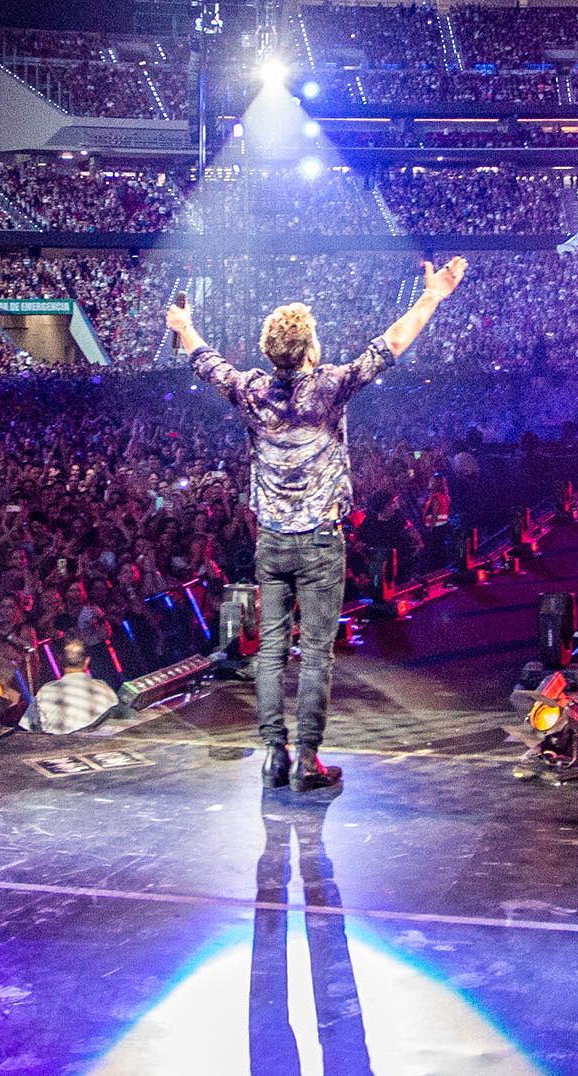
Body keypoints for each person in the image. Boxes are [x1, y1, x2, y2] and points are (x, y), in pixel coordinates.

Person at [170, 256, 470, 792]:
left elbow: (205, 360)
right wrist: (433, 296)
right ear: (310, 350)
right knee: (314, 654)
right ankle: (307, 759)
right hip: (319, 542)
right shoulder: (329, 386)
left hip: (272, 542)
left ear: (269, 352)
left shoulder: (251, 390)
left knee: (269, 651)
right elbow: (391, 344)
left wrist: (183, 325)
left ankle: (274, 755)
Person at [29, 640, 123, 734]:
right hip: (98, 742)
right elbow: (118, 720)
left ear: (60, 660)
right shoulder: (104, 689)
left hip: (58, 742)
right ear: (87, 661)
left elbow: (29, 726)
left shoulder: (45, 691)